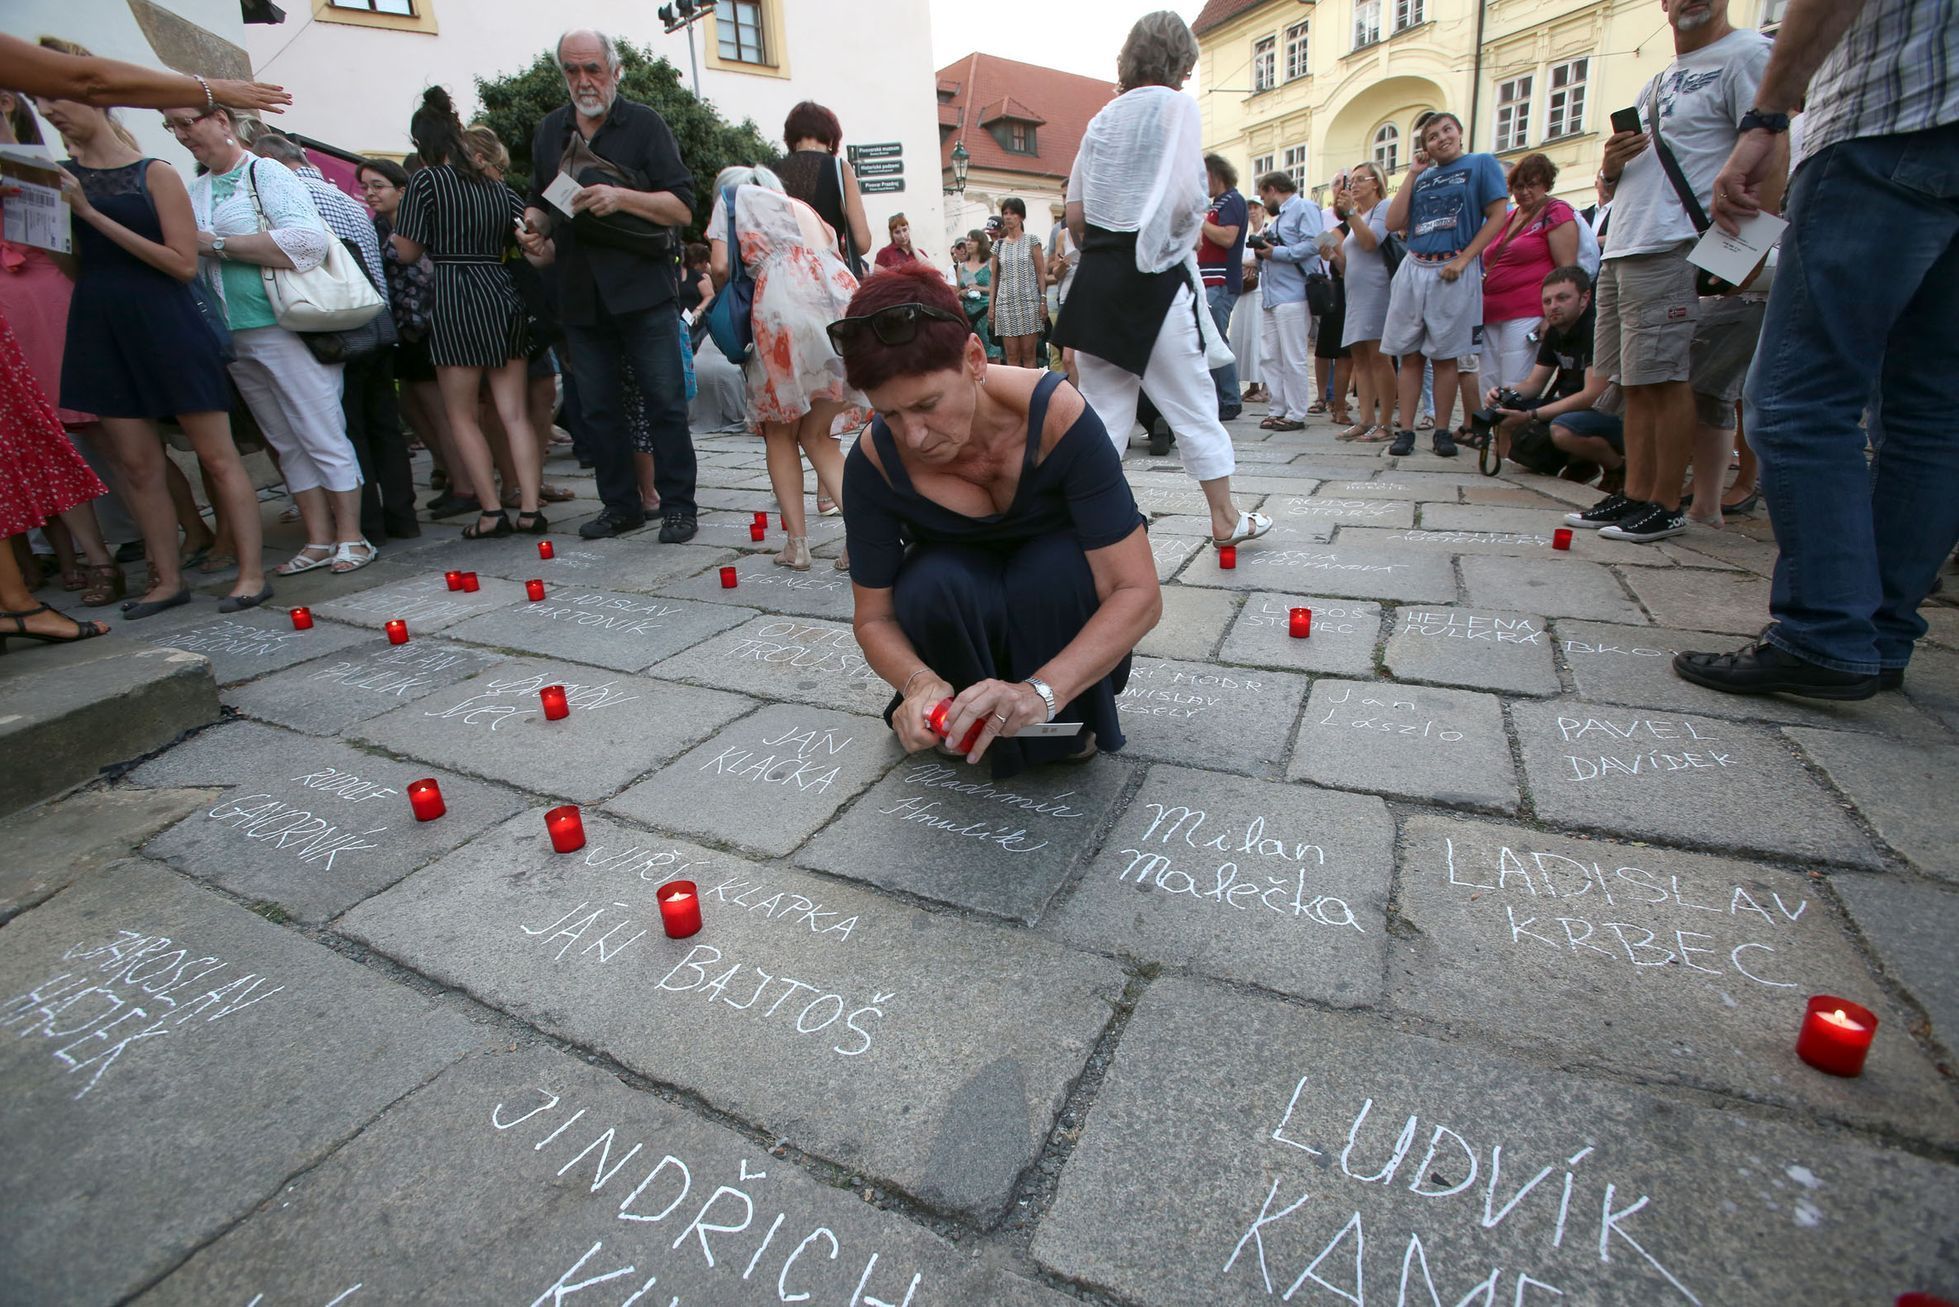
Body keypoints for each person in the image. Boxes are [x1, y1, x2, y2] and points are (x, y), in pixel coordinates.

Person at [1674, 0, 1956, 700]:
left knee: (1799, 398)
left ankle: (1826, 632)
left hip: (1887, 121)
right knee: (1930, 412)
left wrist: (1768, 116)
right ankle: (1878, 637)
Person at [831, 262, 1159, 778]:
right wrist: (916, 681)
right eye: (890, 415)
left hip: (1060, 622)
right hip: (959, 617)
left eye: (927, 405)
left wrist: (1041, 692)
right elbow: (874, 617)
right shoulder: (875, 463)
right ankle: (957, 715)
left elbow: (1137, 591)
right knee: (930, 580)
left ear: (975, 358)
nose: (913, 436)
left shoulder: (1056, 417)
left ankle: (1063, 721)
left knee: (1056, 568)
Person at [45, 94, 271, 616]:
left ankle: (252, 573)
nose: (51, 110)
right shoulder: (60, 176)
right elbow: (73, 266)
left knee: (216, 455)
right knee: (136, 463)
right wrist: (52, 221)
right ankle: (167, 580)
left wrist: (88, 213)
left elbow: (182, 263)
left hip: (166, 320)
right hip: (101, 322)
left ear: (96, 102)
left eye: (57, 97)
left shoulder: (155, 173)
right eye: (40, 102)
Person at [1052, 11, 1270, 551]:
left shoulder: (1100, 119)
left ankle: (1085, 527)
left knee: (1102, 415)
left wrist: (1104, 254)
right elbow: (1188, 201)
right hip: (1152, 281)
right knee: (1193, 403)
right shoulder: (1175, 107)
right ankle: (1224, 518)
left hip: (1097, 282)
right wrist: (1160, 252)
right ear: (1180, 63)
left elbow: (1074, 214)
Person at [1573, 0, 1774, 544]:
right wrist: (1611, 167)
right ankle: (1636, 493)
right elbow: (1626, 174)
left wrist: (1739, 256)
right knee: (1634, 380)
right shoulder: (1658, 81)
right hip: (1626, 242)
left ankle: (1665, 501)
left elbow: (1769, 146)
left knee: (1665, 376)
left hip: (1673, 240)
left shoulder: (1748, 54)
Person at [177, 102, 372, 580]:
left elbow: (308, 244)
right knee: (284, 441)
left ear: (222, 120)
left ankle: (353, 536)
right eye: (172, 126)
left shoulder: (265, 173)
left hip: (287, 322)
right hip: (234, 330)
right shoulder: (196, 188)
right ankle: (319, 538)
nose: (182, 133)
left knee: (320, 428)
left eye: (189, 121)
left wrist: (216, 244)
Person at [518, 28, 698, 543]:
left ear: (614, 71)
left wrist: (621, 198)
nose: (583, 80)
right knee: (596, 409)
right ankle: (620, 505)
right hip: (578, 289)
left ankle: (678, 506)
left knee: (663, 401)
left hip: (642, 287)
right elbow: (542, 198)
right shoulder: (551, 131)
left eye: (592, 69)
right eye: (572, 70)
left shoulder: (644, 125)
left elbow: (682, 206)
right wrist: (534, 229)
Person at [391, 91, 544, 541]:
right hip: (500, 291)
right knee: (513, 413)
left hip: (455, 292)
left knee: (462, 415)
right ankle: (531, 508)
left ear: (422, 142)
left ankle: (492, 511)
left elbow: (406, 250)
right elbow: (531, 241)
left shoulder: (425, 182)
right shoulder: (498, 188)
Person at [252, 131, 416, 547]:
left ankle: (369, 525)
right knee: (385, 427)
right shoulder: (345, 197)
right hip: (377, 320)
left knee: (349, 428)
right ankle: (403, 517)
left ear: (269, 162)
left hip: (335, 326)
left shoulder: (289, 200)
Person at [708, 165, 866, 572]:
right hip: (839, 304)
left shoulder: (732, 199)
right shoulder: (806, 210)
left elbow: (721, 267)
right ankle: (863, 541)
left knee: (779, 432)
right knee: (818, 435)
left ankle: (798, 546)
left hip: (782, 309)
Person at [1380, 111, 1510, 458]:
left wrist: (1466, 259)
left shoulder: (1482, 164)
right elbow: (1393, 222)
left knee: (1446, 357)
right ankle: (1405, 430)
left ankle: (1441, 430)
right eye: (1432, 136)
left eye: (1446, 130)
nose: (1441, 138)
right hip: (1416, 265)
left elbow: (1498, 215)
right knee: (1409, 354)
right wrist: (1412, 173)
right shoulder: (1423, 177)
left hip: (1453, 266)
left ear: (1460, 132)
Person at [358, 156, 460, 517]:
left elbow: (428, 278)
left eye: (378, 186)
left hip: (428, 326)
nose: (370, 193)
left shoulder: (415, 226)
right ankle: (451, 473)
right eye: (365, 187)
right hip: (403, 328)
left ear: (402, 190)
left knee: (437, 407)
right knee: (415, 407)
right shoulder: (378, 227)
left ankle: (463, 483)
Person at [1474, 266, 1622, 480]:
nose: (1554, 307)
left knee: (1562, 430)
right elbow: (1534, 383)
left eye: (1562, 298)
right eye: (1547, 301)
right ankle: (1511, 476)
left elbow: (1593, 395)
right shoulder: (1556, 329)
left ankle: (1617, 470)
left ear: (1584, 298)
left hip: (1609, 413)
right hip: (1573, 407)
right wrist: (1504, 393)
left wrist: (1531, 415)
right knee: (1505, 413)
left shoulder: (1595, 329)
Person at [1478, 153, 1578, 391]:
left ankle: (1511, 428)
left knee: (1514, 388)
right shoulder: (1509, 216)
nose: (1524, 191)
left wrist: (1550, 317)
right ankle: (1493, 429)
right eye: (1519, 186)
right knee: (1488, 387)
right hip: (1491, 313)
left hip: (1527, 312)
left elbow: (1567, 269)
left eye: (1531, 184)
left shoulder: (1555, 212)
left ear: (1545, 183)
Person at [1250, 170, 1322, 432]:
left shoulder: (1304, 207)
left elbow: (1316, 243)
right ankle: (1278, 407)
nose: (1262, 202)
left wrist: (1276, 252)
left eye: (1262, 195)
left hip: (1293, 293)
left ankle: (1296, 412)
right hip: (1272, 295)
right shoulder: (1278, 219)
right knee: (1270, 355)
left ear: (1272, 189)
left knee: (1293, 356)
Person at [1332, 163, 1396, 442]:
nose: (1354, 185)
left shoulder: (1383, 208)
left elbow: (1372, 243)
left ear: (1376, 183)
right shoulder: (1357, 216)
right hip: (1355, 293)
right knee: (1360, 357)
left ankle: (1385, 422)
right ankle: (1366, 418)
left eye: (1361, 180)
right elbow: (1349, 263)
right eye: (1352, 180)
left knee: (1379, 355)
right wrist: (1332, 255)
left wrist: (1350, 214)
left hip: (1377, 289)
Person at [776, 100, 870, 274]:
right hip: (827, 277)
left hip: (781, 278)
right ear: (831, 138)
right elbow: (862, 242)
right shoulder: (840, 169)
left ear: (791, 137)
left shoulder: (770, 171)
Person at [1197, 154, 1248, 421]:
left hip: (1221, 280)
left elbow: (1228, 238)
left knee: (1217, 340)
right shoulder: (1218, 203)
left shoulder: (1232, 201)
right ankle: (1220, 397)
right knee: (1210, 340)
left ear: (1215, 174)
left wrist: (1200, 220)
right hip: (1209, 280)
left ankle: (1230, 398)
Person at [986, 197, 1046, 369]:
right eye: (1005, 213)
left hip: (1029, 303)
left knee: (1029, 356)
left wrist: (1042, 300)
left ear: (1021, 217)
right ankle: (1014, 394)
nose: (1008, 217)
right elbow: (994, 278)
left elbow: (1040, 273)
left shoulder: (1032, 241)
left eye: (1012, 213)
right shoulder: (998, 246)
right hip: (1005, 304)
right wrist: (992, 306)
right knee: (1011, 357)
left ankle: (1031, 394)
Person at [1312, 230, 1352, 425]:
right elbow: (1343, 267)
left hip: (1353, 291)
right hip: (1337, 293)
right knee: (1330, 350)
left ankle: (1339, 402)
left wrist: (1336, 257)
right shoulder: (1337, 229)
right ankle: (1329, 399)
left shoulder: (1362, 227)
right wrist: (1334, 257)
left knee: (1346, 353)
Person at [1232, 203, 1266, 406]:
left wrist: (1245, 262)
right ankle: (1252, 384)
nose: (1252, 211)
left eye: (1256, 207)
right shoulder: (1245, 234)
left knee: (1258, 336)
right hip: (1244, 289)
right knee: (1243, 335)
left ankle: (1265, 386)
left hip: (1260, 289)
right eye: (1249, 208)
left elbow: (1259, 258)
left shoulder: (1268, 229)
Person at [955, 230, 994, 359]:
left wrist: (980, 288)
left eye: (972, 240)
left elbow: (997, 288)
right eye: (967, 240)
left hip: (986, 312)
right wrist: (963, 292)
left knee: (991, 353)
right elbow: (958, 292)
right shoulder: (962, 267)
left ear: (981, 243)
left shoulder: (990, 263)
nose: (968, 243)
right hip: (969, 314)